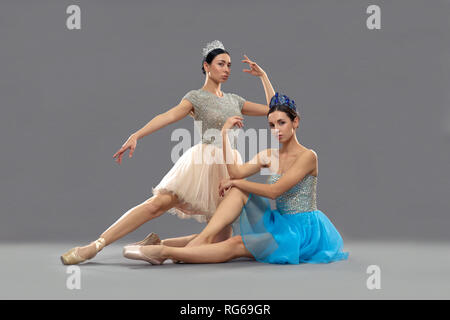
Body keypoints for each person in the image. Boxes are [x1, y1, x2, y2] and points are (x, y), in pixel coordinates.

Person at [60, 40, 275, 265]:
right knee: (158, 204)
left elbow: (275, 109)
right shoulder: (196, 97)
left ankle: (156, 247)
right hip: (203, 161)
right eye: (221, 64)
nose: (227, 69)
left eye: (229, 65)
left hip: (229, 166)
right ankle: (95, 245)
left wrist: (264, 76)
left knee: (220, 237)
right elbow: (168, 116)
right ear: (207, 66)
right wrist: (137, 134)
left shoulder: (235, 100)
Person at [123, 93, 350, 265]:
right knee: (237, 191)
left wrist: (237, 182)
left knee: (236, 243)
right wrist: (223, 135)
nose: (276, 130)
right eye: (271, 125)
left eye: (282, 123)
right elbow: (236, 173)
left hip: (302, 231)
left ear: (295, 122)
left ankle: (165, 251)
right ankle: (198, 242)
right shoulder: (269, 155)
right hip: (278, 221)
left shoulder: (308, 156)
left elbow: (274, 191)